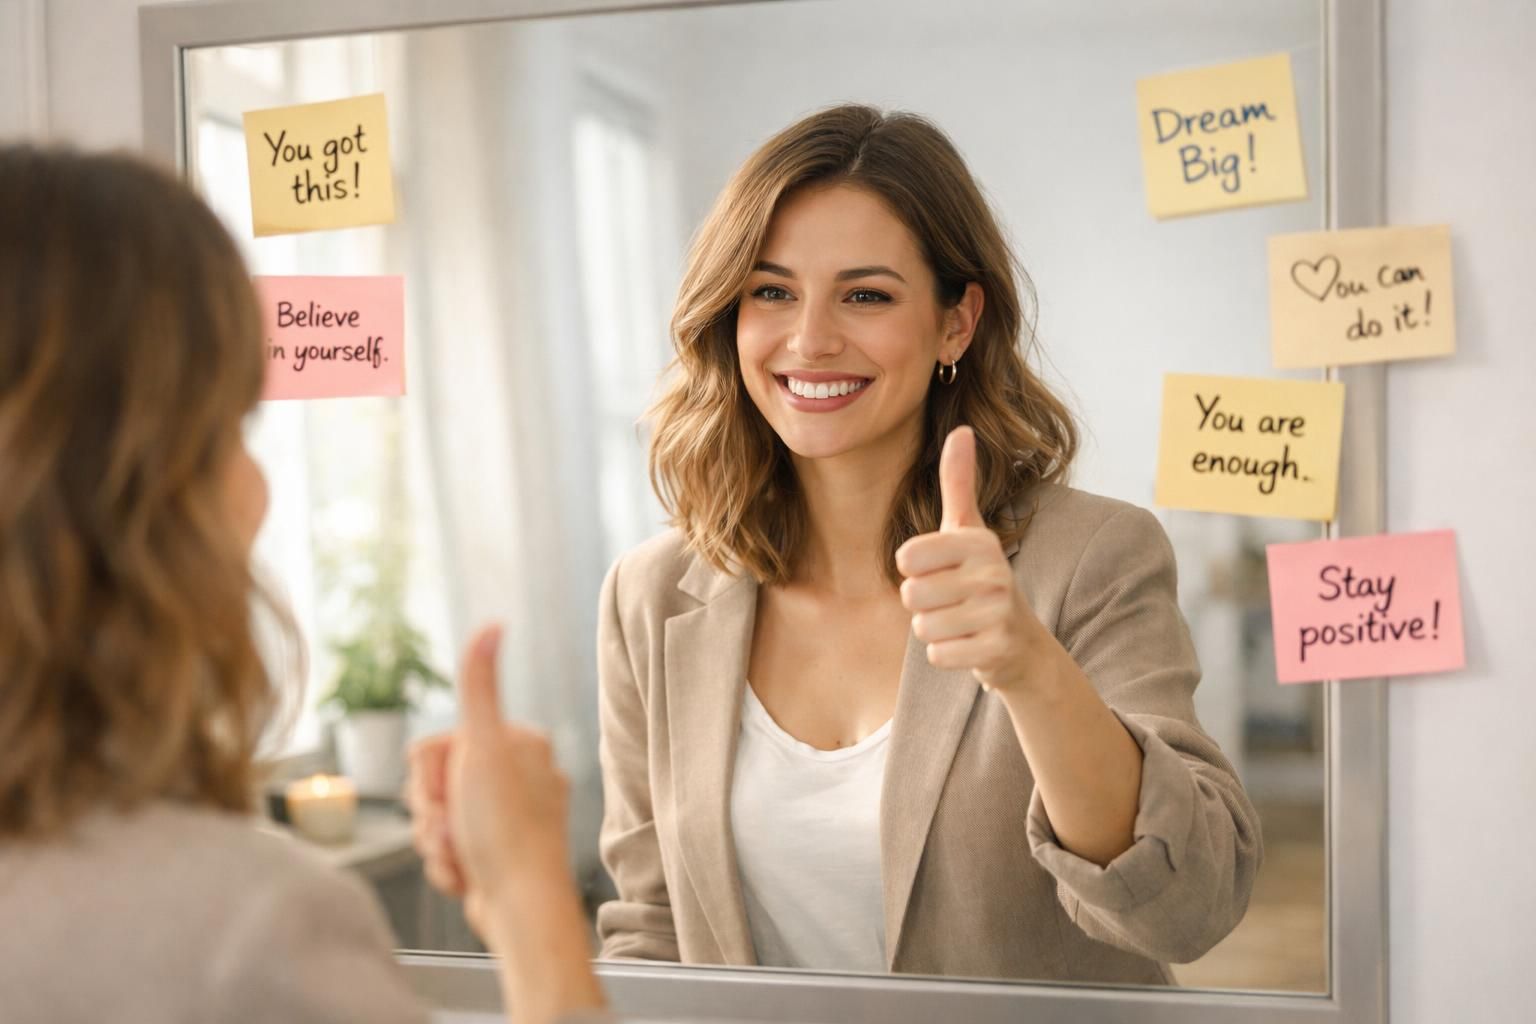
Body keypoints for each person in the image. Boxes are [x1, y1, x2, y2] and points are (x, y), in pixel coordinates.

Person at [412, 103, 1262, 986]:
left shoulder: (1095, 556)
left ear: (955, 324)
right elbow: (656, 931)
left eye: (866, 295)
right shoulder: (652, 595)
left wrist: (1030, 671)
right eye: (771, 291)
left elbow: (1189, 907)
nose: (810, 340)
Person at [0, 145, 609, 1024]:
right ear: (128, 487)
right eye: (232, 424)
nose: (261, 485)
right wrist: (530, 900)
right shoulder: (238, 931)